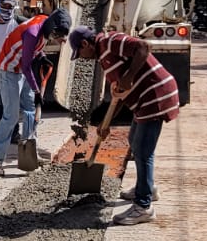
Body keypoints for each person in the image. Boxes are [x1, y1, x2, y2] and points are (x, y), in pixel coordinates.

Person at [69, 26, 179, 225]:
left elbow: (143, 47)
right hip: (145, 100)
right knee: (134, 142)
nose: (82, 58)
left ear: (85, 43)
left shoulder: (109, 42)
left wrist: (128, 78)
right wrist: (105, 122)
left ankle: (143, 207)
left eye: (81, 53)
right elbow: (119, 94)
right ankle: (147, 187)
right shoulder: (104, 58)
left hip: (155, 95)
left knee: (143, 151)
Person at [0, 8, 71, 177]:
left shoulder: (44, 23)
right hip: (8, 70)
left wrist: (40, 56)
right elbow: (26, 66)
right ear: (53, 29)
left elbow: (30, 51)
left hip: (21, 69)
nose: (61, 41)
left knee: (31, 112)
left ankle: (30, 154)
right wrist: (36, 89)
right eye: (59, 36)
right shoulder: (33, 32)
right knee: (10, 116)